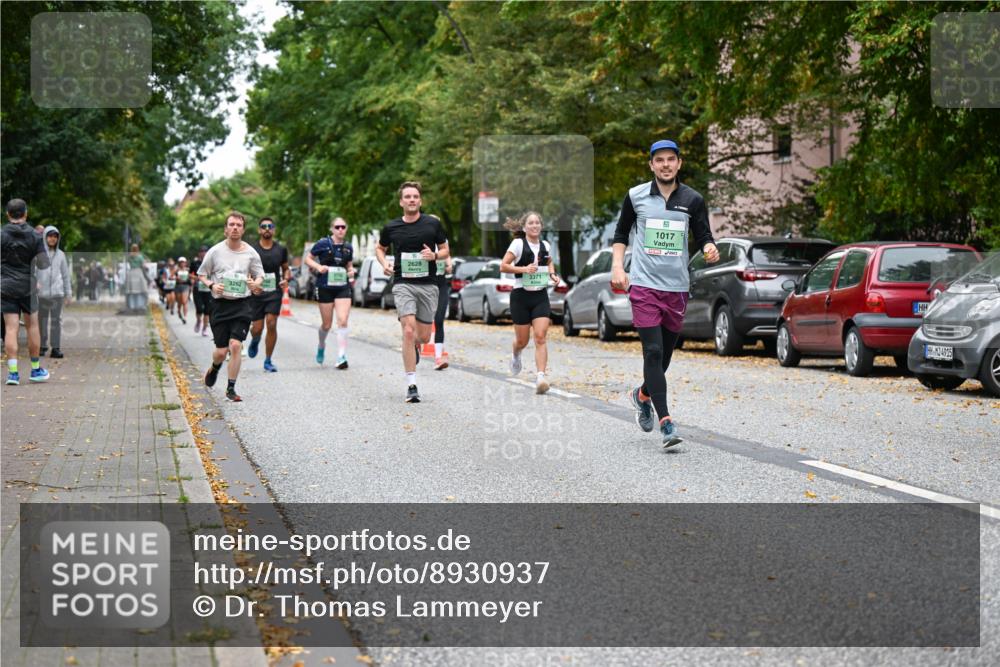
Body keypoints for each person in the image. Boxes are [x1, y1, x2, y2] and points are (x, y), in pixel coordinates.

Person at [611, 139, 719, 447]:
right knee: (654, 352)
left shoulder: (693, 199)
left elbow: (704, 235)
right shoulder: (636, 196)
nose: (666, 164)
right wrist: (618, 267)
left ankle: (643, 395)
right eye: (660, 160)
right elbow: (621, 233)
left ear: (679, 163)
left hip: (676, 289)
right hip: (644, 285)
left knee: (665, 356)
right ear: (651, 165)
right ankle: (666, 422)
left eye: (671, 159)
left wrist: (710, 248)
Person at [376, 182, 449, 403]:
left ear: (420, 201)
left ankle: (416, 346)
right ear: (401, 202)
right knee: (408, 330)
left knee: (424, 336)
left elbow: (445, 250)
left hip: (428, 284)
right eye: (407, 196)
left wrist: (435, 256)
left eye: (415, 196)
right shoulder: (392, 227)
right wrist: (383, 263)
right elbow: (381, 248)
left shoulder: (432, 224)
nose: (411, 200)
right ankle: (412, 384)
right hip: (403, 283)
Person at [196, 212, 264, 402]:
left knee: (235, 345)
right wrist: (212, 285)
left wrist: (255, 284)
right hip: (219, 305)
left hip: (242, 304)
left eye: (238, 225)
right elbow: (201, 274)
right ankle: (215, 368)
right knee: (220, 351)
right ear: (226, 229)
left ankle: (231, 388)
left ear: (243, 229)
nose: (235, 228)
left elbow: (260, 276)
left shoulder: (251, 253)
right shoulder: (215, 252)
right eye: (231, 225)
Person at [500, 211, 560, 394]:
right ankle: (516, 353)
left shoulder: (545, 245)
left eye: (537, 223)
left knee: (540, 337)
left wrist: (552, 274)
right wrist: (524, 269)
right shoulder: (518, 244)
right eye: (531, 223)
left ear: (541, 226)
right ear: (525, 227)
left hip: (540, 295)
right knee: (522, 340)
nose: (534, 226)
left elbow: (549, 262)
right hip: (520, 295)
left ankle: (541, 376)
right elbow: (503, 265)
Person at [1, 199, 50, 385]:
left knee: (10, 328)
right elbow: (44, 264)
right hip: (28, 286)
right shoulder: (35, 236)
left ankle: (13, 374)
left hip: (5, 286)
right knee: (32, 327)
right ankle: (36, 370)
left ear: (8, 214)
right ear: (25, 214)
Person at [305, 217, 354, 369]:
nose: (340, 230)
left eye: (343, 227)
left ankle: (341, 356)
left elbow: (349, 266)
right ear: (332, 229)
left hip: (342, 287)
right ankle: (321, 344)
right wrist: (318, 267)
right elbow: (308, 258)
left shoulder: (348, 247)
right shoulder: (323, 243)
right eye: (337, 227)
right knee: (326, 325)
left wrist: (351, 272)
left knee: (343, 320)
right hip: (324, 286)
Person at [247, 217, 291, 372]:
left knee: (271, 323)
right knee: (257, 328)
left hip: (274, 292)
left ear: (273, 230)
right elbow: (247, 272)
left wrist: (285, 279)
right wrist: (251, 284)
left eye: (270, 226)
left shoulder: (281, 249)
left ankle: (268, 360)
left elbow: (286, 269)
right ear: (259, 230)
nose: (267, 228)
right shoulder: (251, 250)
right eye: (263, 226)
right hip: (257, 294)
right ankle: (255, 340)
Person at [36, 226, 71, 358]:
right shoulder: (38, 254)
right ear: (45, 237)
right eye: (50, 236)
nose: (53, 239)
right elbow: (32, 272)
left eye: (55, 236)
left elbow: (66, 275)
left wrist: (68, 294)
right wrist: (35, 283)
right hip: (41, 294)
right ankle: (42, 346)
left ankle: (55, 348)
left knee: (56, 321)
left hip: (57, 294)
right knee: (42, 321)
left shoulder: (61, 255)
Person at [431, 231, 452, 371]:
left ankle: (438, 358)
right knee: (422, 322)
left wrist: (449, 265)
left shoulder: (443, 241)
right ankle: (415, 345)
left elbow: (447, 255)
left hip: (441, 283)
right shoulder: (422, 240)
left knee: (439, 320)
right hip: (426, 283)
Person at [190, 245, 212, 336]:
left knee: (207, 310)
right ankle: (199, 321)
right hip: (197, 288)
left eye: (205, 251)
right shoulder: (195, 263)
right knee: (199, 308)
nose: (203, 253)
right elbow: (189, 274)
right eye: (201, 251)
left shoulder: (212, 263)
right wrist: (197, 277)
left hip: (208, 289)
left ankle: (204, 328)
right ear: (199, 253)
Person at [125, 243, 150, 312]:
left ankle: (132, 305)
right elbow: (143, 265)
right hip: (138, 272)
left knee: (131, 290)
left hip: (131, 273)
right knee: (140, 289)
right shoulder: (140, 257)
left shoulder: (129, 256)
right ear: (138, 249)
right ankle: (139, 305)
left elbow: (129, 263)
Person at [173, 257, 191, 324]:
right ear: (179, 263)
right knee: (179, 302)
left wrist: (192, 278)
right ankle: (179, 313)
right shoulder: (176, 270)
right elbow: (171, 276)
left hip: (185, 286)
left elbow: (192, 276)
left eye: (183, 262)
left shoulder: (188, 270)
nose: (182, 263)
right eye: (181, 262)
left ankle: (185, 317)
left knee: (184, 301)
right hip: (178, 287)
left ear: (185, 263)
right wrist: (176, 277)